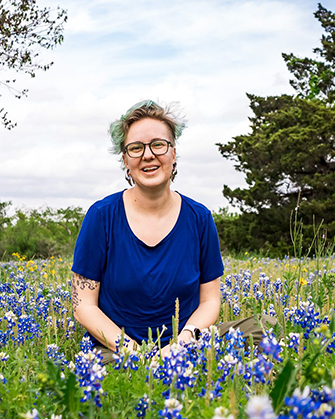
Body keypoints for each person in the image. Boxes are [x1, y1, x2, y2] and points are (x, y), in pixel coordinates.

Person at [71, 100, 268, 364]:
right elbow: (83, 305)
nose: (148, 155)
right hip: (118, 349)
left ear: (173, 153)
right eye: (136, 148)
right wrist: (133, 352)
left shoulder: (199, 217)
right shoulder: (102, 215)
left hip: (184, 345)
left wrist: (181, 345)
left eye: (158, 144)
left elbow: (210, 300)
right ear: (125, 160)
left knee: (257, 331)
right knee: (99, 374)